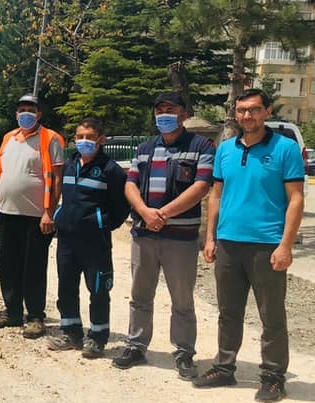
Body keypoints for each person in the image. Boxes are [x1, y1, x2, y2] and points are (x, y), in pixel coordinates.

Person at [192, 89, 304, 402]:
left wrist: (286, 245)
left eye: (254, 110)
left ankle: (273, 377)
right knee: (228, 312)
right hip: (229, 243)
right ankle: (224, 367)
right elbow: (216, 194)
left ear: (267, 111)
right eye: (241, 110)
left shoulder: (285, 149)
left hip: (266, 245)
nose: (247, 116)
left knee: (272, 316)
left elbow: (296, 198)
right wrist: (210, 237)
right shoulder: (226, 149)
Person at [112, 91, 215, 380]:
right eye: (159, 110)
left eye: (170, 109)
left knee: (182, 299)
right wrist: (145, 212)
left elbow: (201, 186)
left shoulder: (201, 146)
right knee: (140, 295)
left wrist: (163, 214)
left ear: (183, 114)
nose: (164, 115)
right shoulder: (145, 148)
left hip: (180, 237)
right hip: (144, 234)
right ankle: (136, 346)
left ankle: (184, 352)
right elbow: (130, 184)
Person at [45, 117, 130, 358]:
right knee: (66, 287)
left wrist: (102, 224)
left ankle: (97, 338)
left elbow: (122, 207)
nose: (84, 141)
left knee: (98, 289)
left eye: (90, 137)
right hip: (67, 241)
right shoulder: (69, 164)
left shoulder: (111, 170)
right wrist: (58, 216)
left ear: (101, 140)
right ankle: (71, 334)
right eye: (80, 136)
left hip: (95, 243)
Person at [0, 94, 64, 339]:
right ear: (16, 114)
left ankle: (36, 317)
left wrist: (50, 212)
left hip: (37, 216)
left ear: (39, 114)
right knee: (8, 264)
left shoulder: (51, 138)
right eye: (21, 110)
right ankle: (13, 312)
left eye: (30, 109)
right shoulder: (9, 138)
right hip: (8, 213)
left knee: (34, 267)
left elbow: (57, 178)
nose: (25, 113)